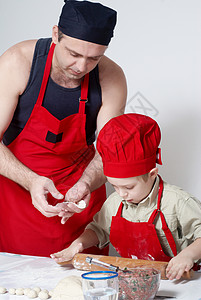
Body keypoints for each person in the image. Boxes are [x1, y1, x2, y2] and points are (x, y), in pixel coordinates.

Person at [0, 1, 127, 257]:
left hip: (78, 200)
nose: (81, 67)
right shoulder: (19, 62)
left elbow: (107, 152)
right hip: (17, 194)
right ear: (56, 34)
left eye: (93, 58)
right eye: (73, 54)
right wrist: (31, 181)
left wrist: (86, 185)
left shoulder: (111, 78)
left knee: (85, 285)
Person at [51, 113, 201, 280]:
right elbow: (98, 230)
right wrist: (78, 244)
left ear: (152, 174)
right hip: (132, 280)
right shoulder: (115, 203)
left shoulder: (177, 202)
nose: (121, 194)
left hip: (178, 280)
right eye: (114, 186)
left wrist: (188, 255)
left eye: (128, 187)